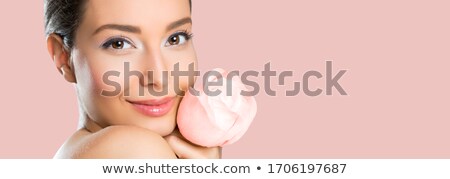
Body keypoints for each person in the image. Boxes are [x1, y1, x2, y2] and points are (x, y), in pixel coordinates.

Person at [45, 0, 221, 159]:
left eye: (175, 39)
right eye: (118, 43)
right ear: (63, 56)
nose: (159, 78)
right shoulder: (138, 151)